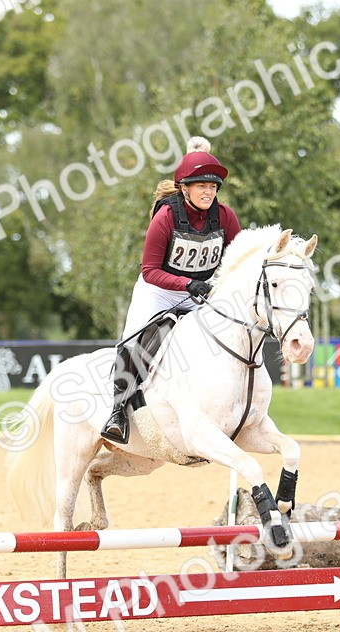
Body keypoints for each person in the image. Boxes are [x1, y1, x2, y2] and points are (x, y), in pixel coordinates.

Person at [101, 137, 242, 445]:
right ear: (184, 188)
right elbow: (149, 271)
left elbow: (239, 258)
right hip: (159, 290)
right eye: (201, 186)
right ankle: (117, 413)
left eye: (213, 187)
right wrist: (186, 284)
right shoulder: (166, 216)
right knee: (134, 341)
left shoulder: (226, 216)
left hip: (201, 293)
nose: (208, 192)